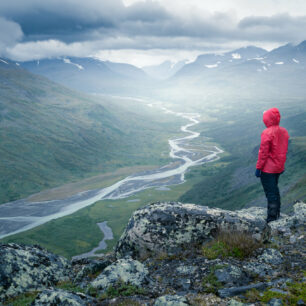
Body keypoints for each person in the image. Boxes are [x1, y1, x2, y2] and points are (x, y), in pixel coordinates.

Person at [255, 107, 289, 223]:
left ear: (267, 119)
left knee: (271, 193)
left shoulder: (267, 132)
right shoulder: (284, 131)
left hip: (268, 169)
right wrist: (281, 165)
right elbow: (283, 150)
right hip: (278, 168)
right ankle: (276, 214)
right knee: (274, 190)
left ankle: (272, 219)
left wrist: (258, 168)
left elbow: (263, 153)